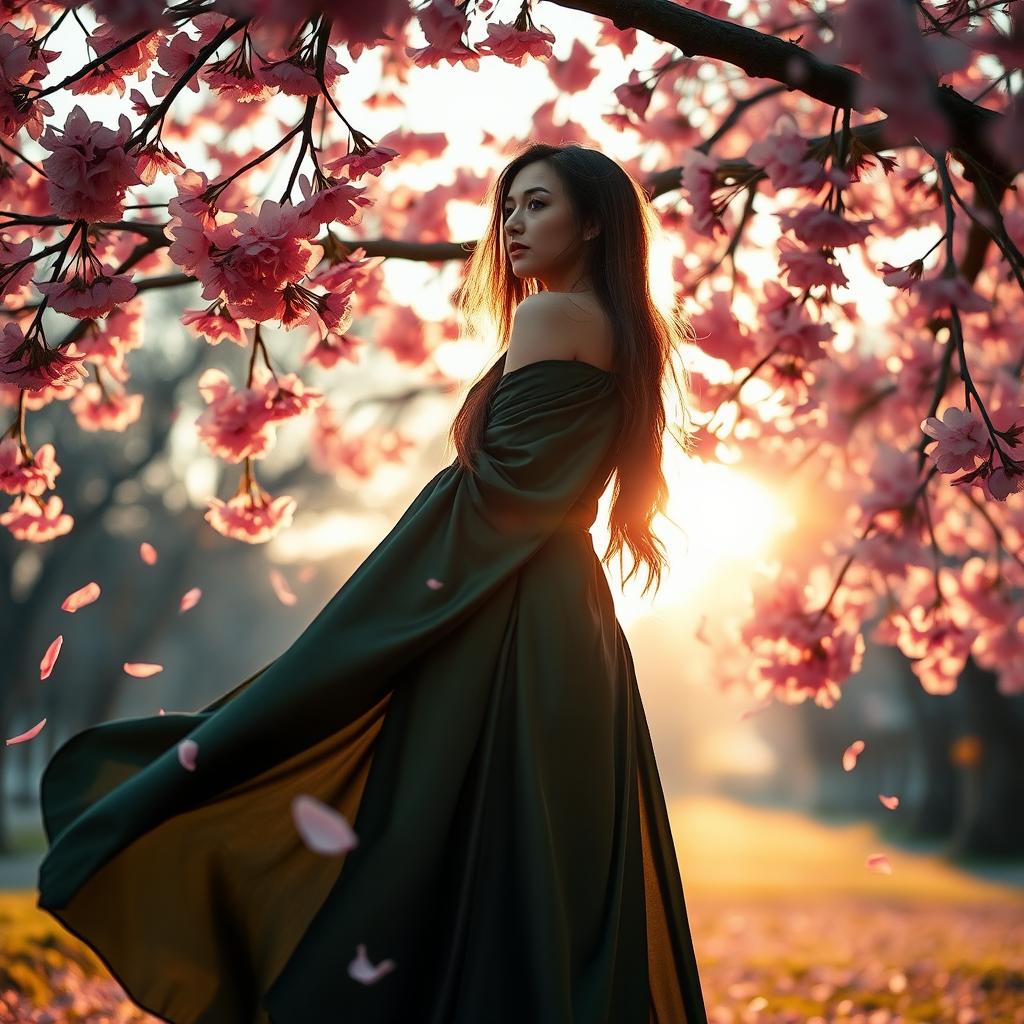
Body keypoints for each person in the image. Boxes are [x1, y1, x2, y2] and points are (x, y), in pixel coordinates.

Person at [35, 142, 709, 1024]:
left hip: (499, 615)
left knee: (431, 839)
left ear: (593, 221)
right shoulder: (631, 333)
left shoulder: (548, 321)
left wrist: (349, 632)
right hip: (568, 625)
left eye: (537, 205)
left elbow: (495, 499)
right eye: (508, 206)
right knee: (540, 865)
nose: (512, 224)